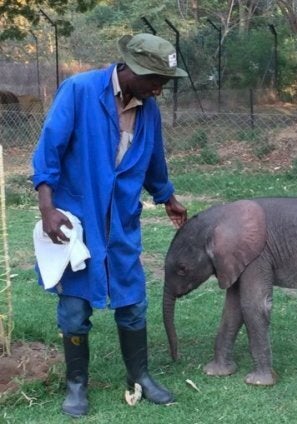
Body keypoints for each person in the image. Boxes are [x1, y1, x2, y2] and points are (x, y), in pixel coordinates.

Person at [31, 33, 189, 417]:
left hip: (122, 223)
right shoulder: (80, 91)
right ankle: (76, 386)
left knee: (132, 301)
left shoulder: (148, 109)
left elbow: (154, 161)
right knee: (74, 307)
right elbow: (49, 151)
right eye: (155, 80)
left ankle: (140, 377)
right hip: (76, 223)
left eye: (164, 82)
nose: (159, 89)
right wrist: (47, 208)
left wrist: (167, 197)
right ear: (130, 69)